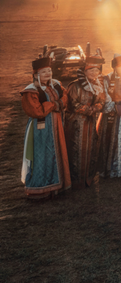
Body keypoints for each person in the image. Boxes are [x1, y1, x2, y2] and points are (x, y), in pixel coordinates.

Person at [20, 56, 70, 198]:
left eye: (49, 71)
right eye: (44, 72)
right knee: (41, 155)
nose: (48, 74)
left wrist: (58, 104)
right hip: (40, 129)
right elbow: (37, 111)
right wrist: (55, 105)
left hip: (56, 126)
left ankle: (56, 185)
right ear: (36, 75)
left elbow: (65, 98)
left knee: (56, 152)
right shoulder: (31, 91)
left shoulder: (56, 85)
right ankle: (40, 188)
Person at [64, 54, 106, 189]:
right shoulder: (74, 86)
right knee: (76, 148)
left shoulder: (98, 85)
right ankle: (75, 179)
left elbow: (102, 101)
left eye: (97, 70)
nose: (94, 73)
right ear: (85, 71)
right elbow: (72, 104)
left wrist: (95, 108)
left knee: (91, 147)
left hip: (91, 122)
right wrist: (88, 110)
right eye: (91, 70)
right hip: (77, 122)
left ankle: (88, 177)